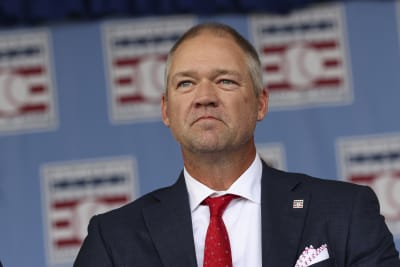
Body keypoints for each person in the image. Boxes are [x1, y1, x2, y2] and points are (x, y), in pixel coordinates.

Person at [74, 22, 400, 267]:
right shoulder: (113, 238)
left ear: (260, 103)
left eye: (225, 81)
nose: (204, 97)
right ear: (166, 110)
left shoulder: (344, 212)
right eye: (186, 83)